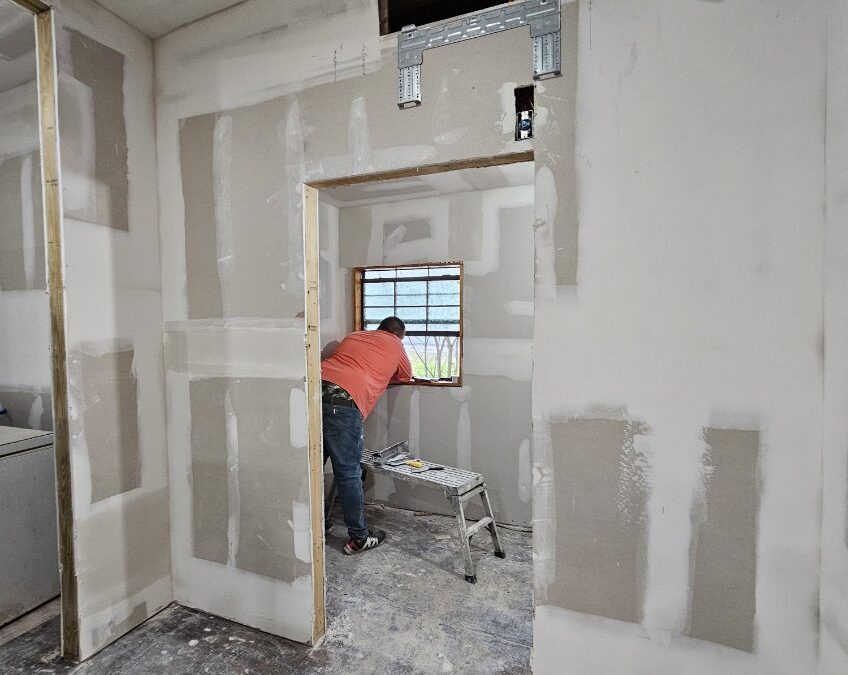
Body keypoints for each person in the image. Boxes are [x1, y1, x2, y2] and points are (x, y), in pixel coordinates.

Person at [321, 316, 413, 555]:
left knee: (312, 466)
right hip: (344, 403)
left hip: (314, 391)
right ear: (398, 334)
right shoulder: (395, 343)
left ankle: (317, 523)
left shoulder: (355, 335)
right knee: (348, 473)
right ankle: (359, 538)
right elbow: (405, 375)